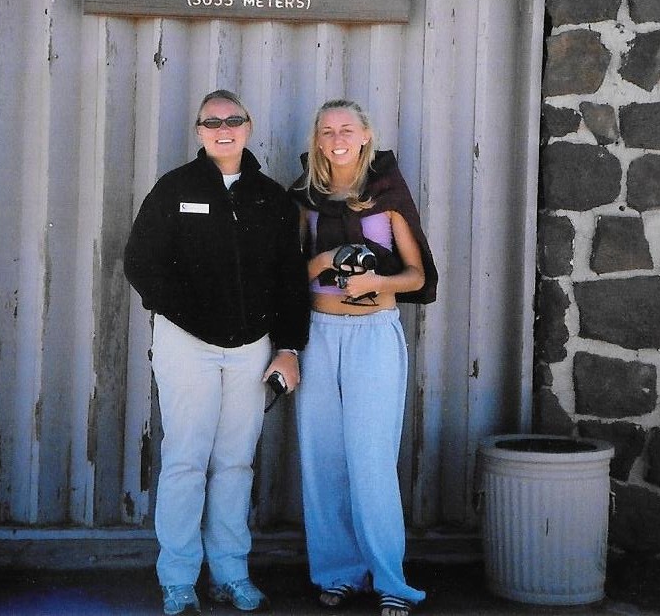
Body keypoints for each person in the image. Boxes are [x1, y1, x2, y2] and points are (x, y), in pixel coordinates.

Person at [124, 89, 309, 616]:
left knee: (235, 463)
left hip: (252, 350)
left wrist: (289, 346)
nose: (223, 129)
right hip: (187, 345)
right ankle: (178, 579)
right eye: (212, 122)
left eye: (233, 120)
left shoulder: (272, 199)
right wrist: (198, 317)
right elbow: (141, 263)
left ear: (248, 127)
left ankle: (231, 572)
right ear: (199, 131)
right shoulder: (174, 189)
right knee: (186, 458)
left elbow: (290, 282)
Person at [291, 99, 438, 616]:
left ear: (365, 135)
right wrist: (325, 261)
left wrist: (377, 279)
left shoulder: (387, 196)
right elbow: (287, 278)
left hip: (374, 334)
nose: (337, 138)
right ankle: (337, 572)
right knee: (323, 459)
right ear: (316, 138)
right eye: (327, 129)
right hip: (320, 333)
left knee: (371, 460)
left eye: (346, 129)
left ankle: (391, 579)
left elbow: (417, 276)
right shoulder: (305, 199)